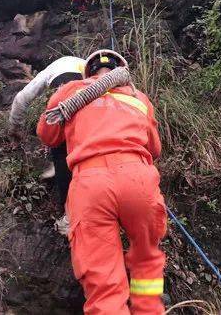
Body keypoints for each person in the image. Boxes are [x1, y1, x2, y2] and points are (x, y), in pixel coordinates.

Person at [37, 49, 167, 314]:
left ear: (88, 71)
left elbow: (48, 135)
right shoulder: (138, 97)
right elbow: (154, 149)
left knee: (104, 288)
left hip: (90, 183)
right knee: (146, 262)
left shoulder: (70, 91)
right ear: (123, 72)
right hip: (137, 178)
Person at [7, 55, 86, 231]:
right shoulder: (89, 64)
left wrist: (14, 129)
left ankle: (68, 216)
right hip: (90, 100)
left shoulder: (50, 70)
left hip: (60, 97)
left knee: (59, 147)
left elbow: (21, 99)